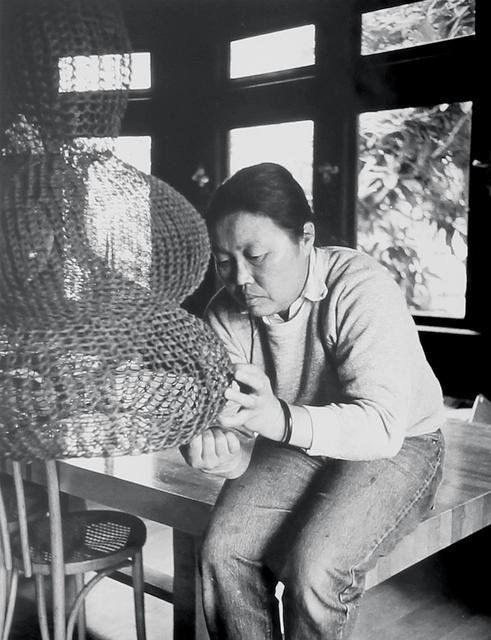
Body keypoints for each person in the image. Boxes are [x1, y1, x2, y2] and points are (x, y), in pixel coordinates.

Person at [181, 162, 445, 639]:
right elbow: (240, 441)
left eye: (256, 255)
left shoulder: (361, 287)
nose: (239, 278)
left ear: (306, 238)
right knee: (222, 550)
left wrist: (275, 418)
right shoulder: (225, 315)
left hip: (402, 441)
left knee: (315, 568)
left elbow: (382, 427)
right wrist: (217, 448)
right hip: (294, 441)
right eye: (223, 260)